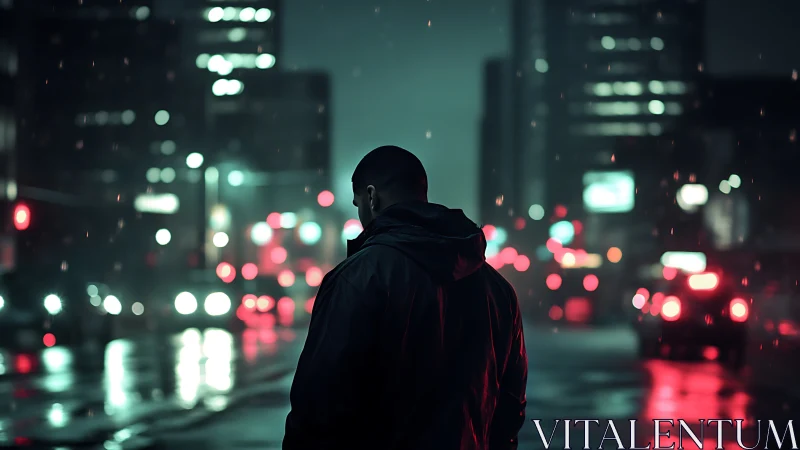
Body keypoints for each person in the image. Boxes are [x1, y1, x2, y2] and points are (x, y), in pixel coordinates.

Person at [283, 145, 527, 450]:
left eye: (358, 203)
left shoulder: (359, 278)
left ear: (371, 198)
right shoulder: (497, 289)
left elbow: (319, 404)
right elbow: (510, 404)